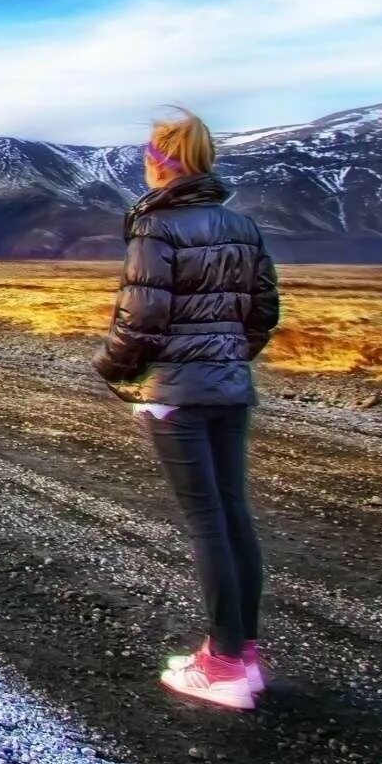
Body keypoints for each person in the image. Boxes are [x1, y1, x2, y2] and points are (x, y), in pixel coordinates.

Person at [92, 108, 281, 711]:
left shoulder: (157, 227)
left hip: (177, 393)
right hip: (229, 388)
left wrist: (114, 368)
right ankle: (242, 655)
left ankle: (222, 664)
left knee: (206, 522)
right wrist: (225, 357)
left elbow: (141, 318)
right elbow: (262, 313)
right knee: (232, 514)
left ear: (160, 161)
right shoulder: (243, 226)